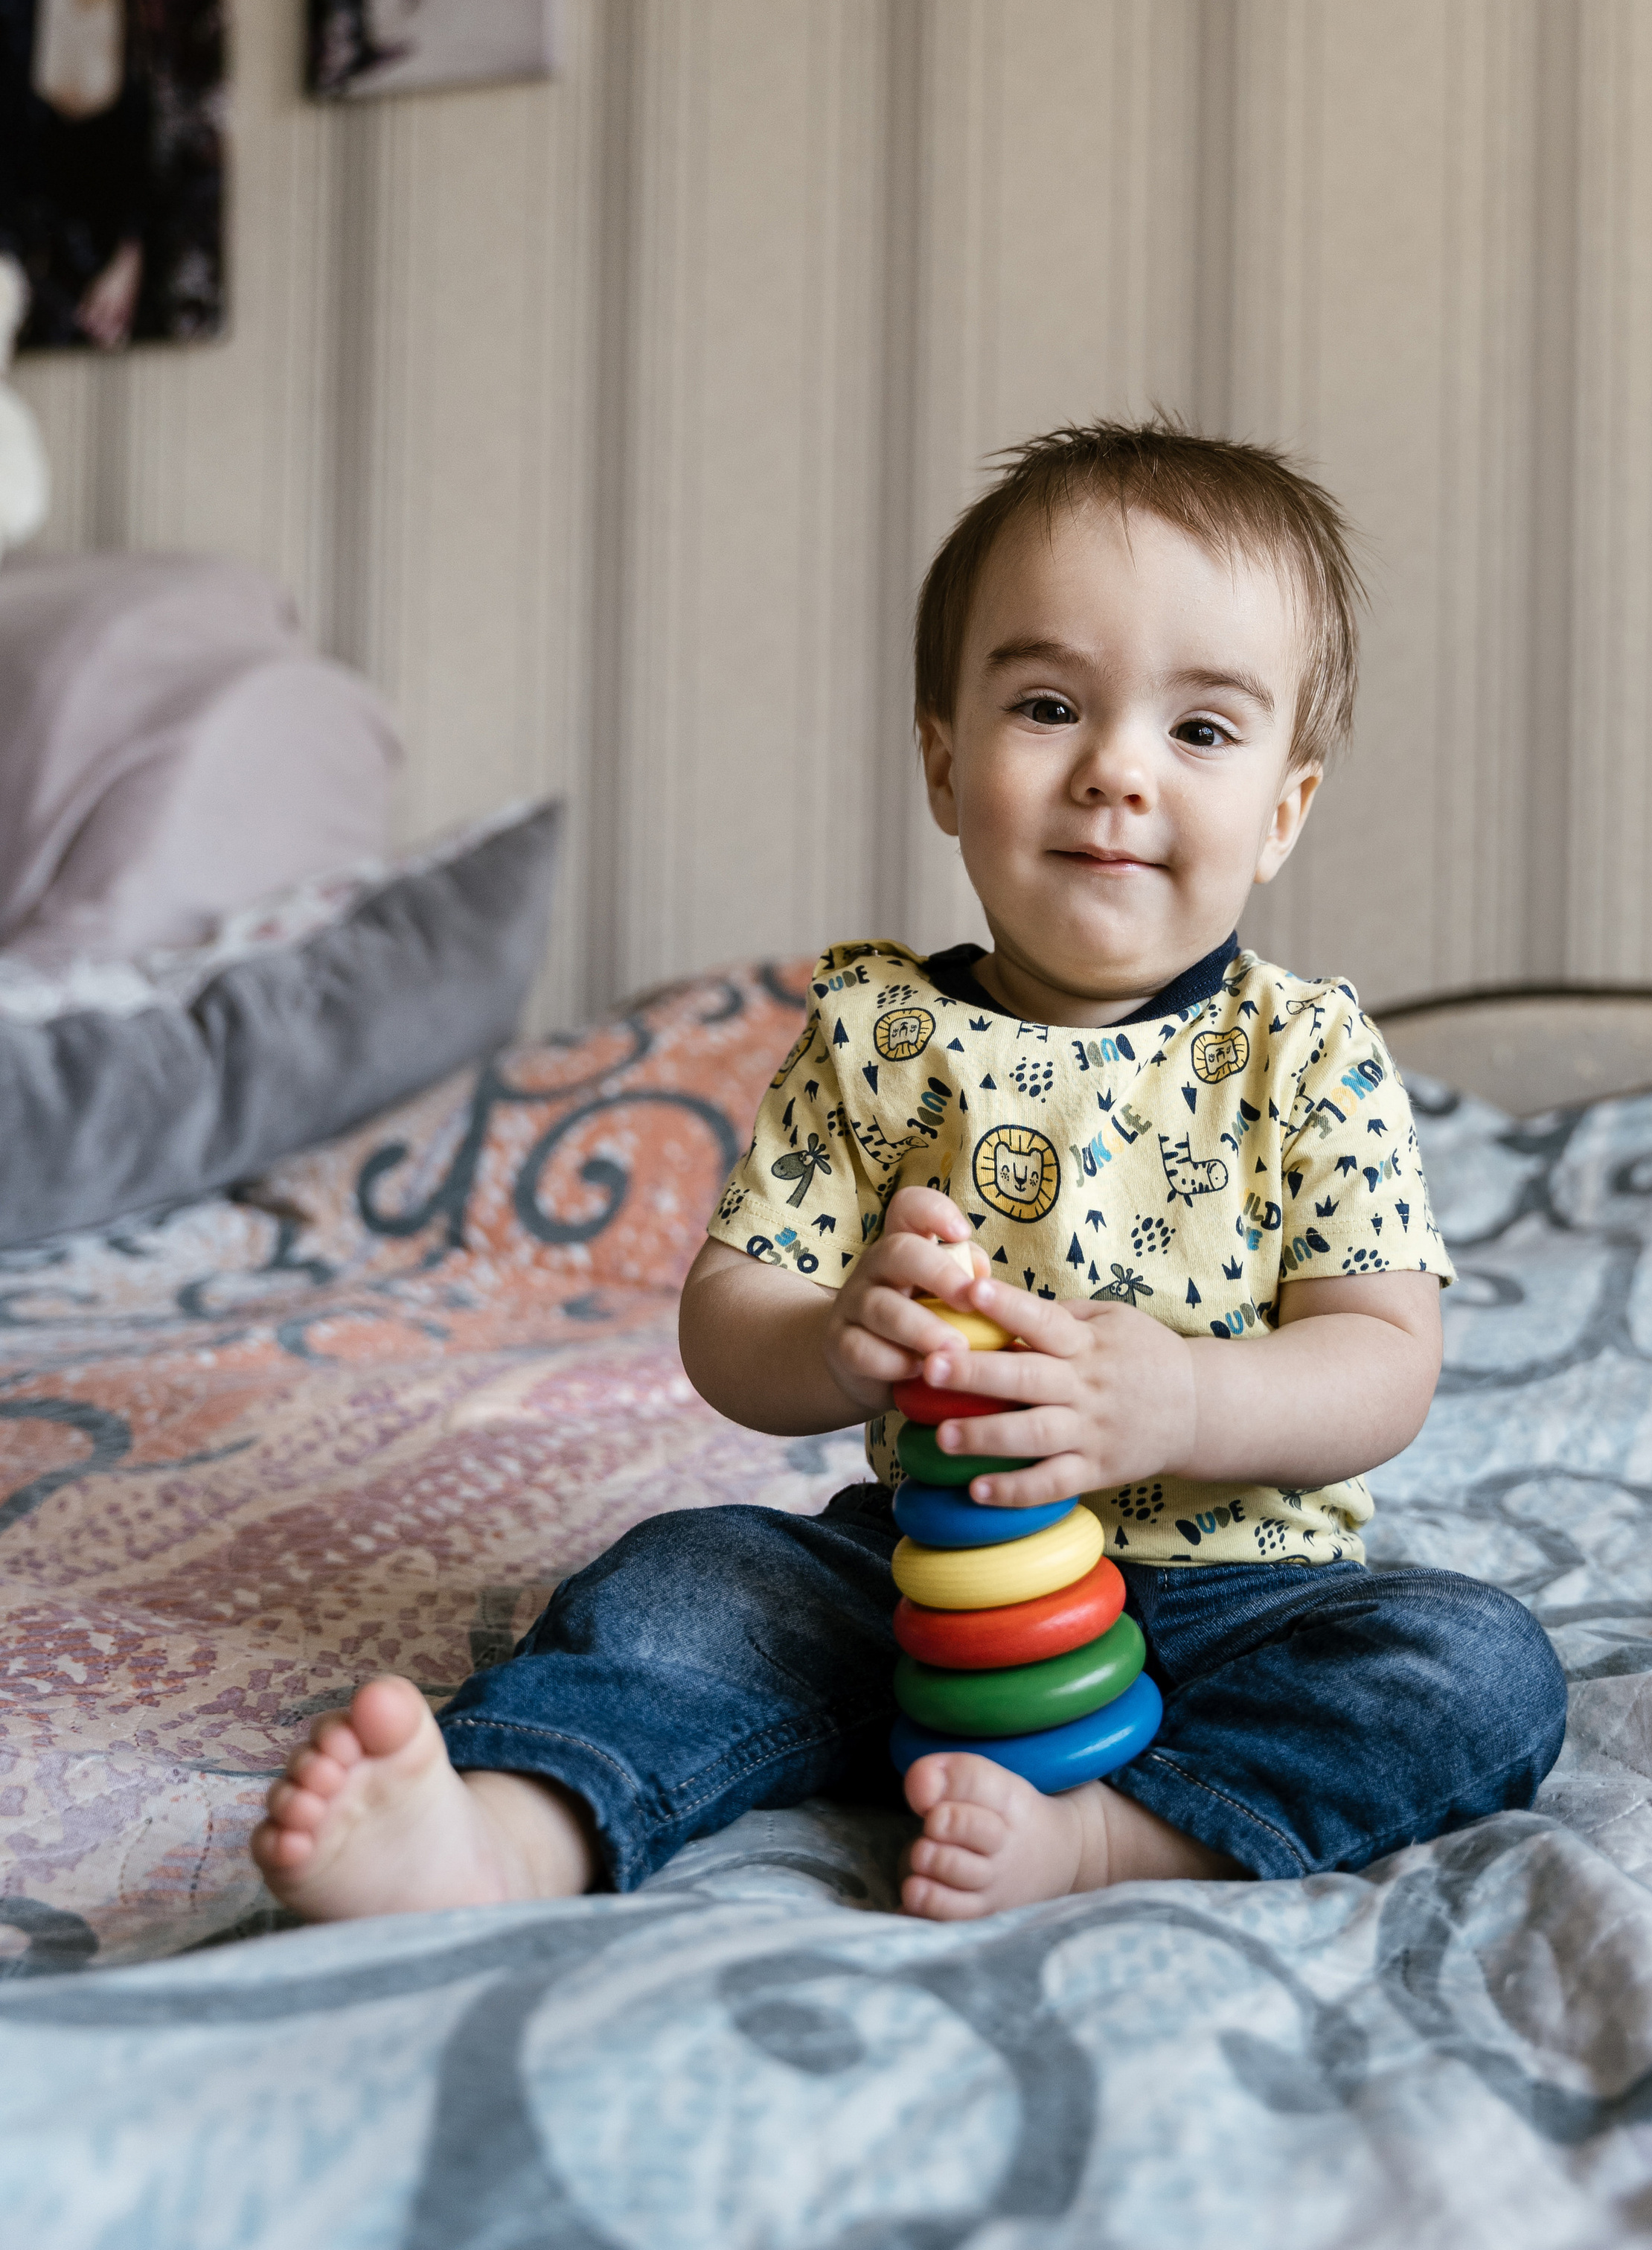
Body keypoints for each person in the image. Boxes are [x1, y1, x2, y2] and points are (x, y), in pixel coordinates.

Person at [252, 418, 1567, 1924]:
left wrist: (1185, 1402)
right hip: (923, 1576)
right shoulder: (876, 1038)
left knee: (1477, 1668)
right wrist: (835, 1340)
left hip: (1237, 1594)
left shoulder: (1309, 1056)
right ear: (945, 763)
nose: (1116, 772)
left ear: (1282, 811)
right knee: (686, 1582)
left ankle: (1116, 1838)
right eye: (1049, 706)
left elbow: (1384, 1362)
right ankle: (506, 1831)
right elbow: (730, 1320)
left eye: (1201, 731)